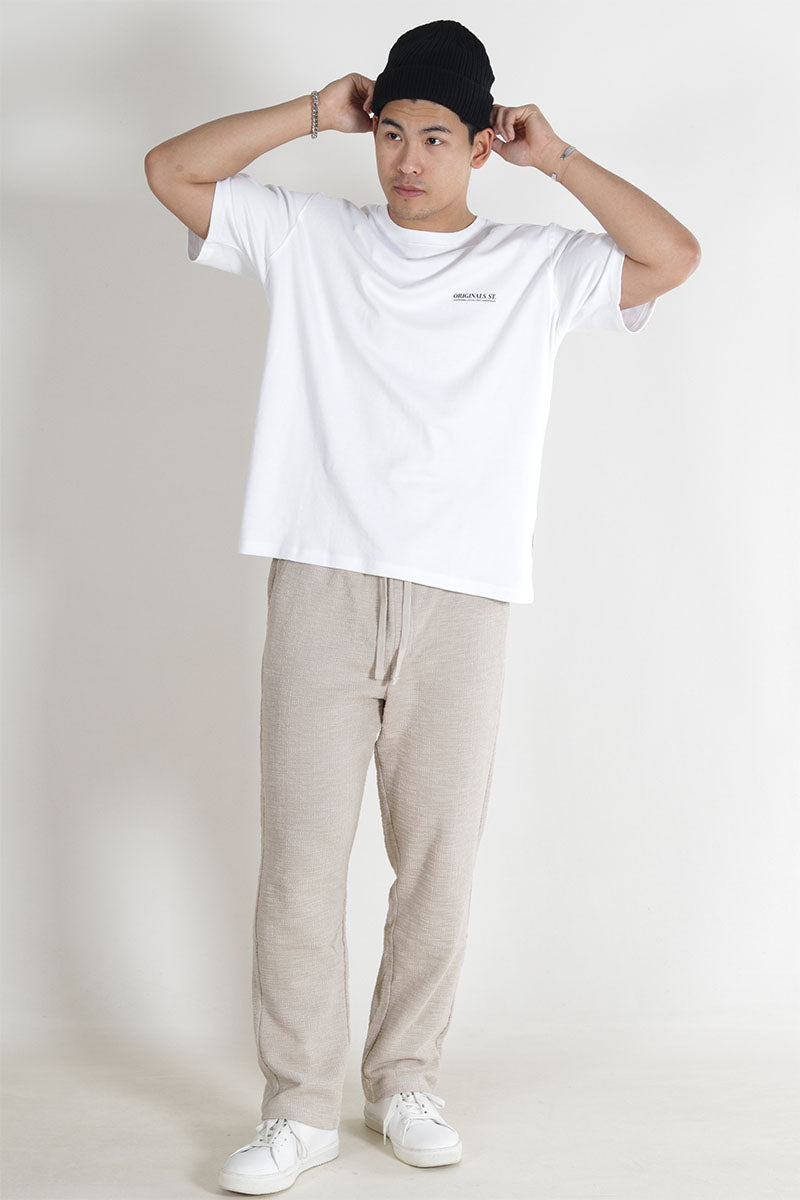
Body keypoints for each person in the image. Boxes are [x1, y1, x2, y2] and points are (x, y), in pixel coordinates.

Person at [144, 18, 700, 1196]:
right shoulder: (311, 238)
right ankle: (297, 1108)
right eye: (389, 132)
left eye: (435, 137)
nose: (405, 159)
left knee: (435, 863)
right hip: (321, 581)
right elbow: (171, 170)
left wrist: (559, 159)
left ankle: (402, 1080)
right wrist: (311, 112)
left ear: (481, 144)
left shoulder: (534, 266)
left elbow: (670, 255)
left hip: (463, 595)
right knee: (301, 862)